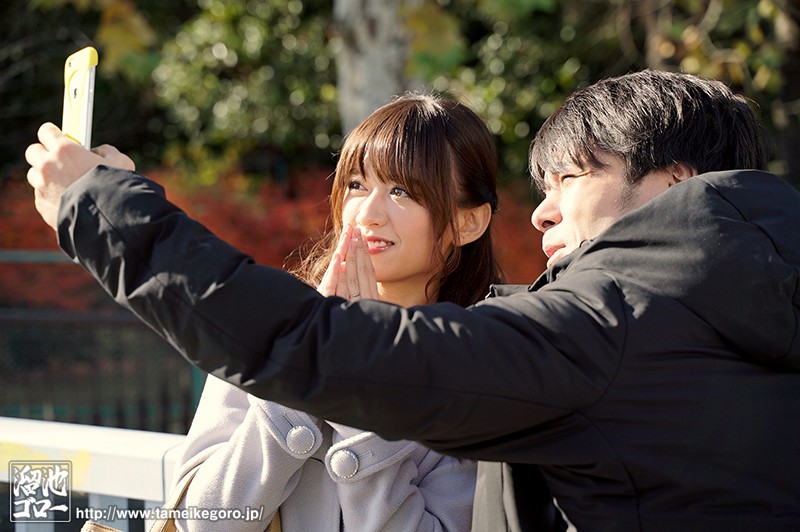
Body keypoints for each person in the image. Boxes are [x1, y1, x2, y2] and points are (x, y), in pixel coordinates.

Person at [25, 69, 800, 531]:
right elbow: (202, 519)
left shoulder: (532, 348)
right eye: (356, 183)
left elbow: (316, 350)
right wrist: (295, 405)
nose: (544, 212)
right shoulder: (741, 313)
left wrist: (99, 204)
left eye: (571, 178)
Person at [171, 94, 502, 532]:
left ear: (468, 223)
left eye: (402, 191)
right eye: (357, 185)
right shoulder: (264, 329)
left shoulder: (483, 371)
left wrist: (358, 392)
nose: (367, 213)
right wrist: (309, 358)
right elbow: (203, 522)